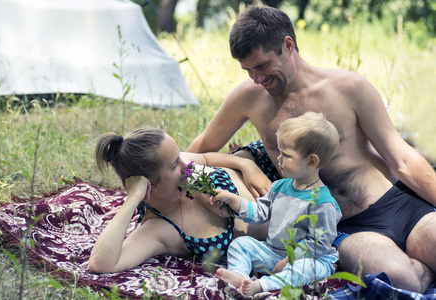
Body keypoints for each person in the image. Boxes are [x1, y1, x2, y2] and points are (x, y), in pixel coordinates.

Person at [187, 6, 436, 293]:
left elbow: (402, 157)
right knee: (401, 279)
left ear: (288, 45)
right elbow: (199, 148)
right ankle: (424, 268)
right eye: (248, 71)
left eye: (263, 66)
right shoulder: (249, 98)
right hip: (345, 227)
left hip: (396, 205)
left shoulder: (349, 88)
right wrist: (245, 165)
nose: (257, 79)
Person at [88, 128, 269, 273]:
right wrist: (131, 200)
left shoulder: (179, 164)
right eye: (175, 165)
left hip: (269, 164)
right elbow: (100, 263)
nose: (187, 164)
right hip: (285, 214)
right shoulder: (159, 229)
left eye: (179, 156)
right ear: (150, 186)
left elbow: (205, 158)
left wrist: (246, 165)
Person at [209, 112, 341, 295]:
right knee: (242, 244)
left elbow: (317, 245)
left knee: (304, 269)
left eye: (286, 155)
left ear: (311, 161)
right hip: (273, 253)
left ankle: (261, 286)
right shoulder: (279, 187)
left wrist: (289, 260)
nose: (278, 159)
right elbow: (260, 212)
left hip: (309, 259)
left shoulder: (323, 203)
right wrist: (234, 200)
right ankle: (239, 275)